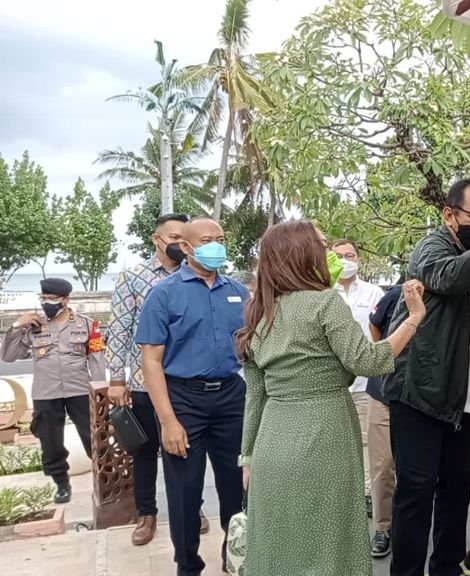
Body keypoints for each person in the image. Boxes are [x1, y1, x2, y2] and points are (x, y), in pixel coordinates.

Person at [236, 220, 426, 576]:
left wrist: (247, 457)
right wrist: (413, 318)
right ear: (303, 253)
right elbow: (368, 361)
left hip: (272, 443)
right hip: (325, 434)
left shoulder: (260, 311)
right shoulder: (325, 303)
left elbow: (255, 397)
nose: (327, 254)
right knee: (330, 537)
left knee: (280, 541)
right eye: (320, 245)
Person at [383, 178, 470, 576]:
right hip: (420, 394)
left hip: (462, 397)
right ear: (449, 215)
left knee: (457, 490)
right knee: (416, 493)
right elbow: (451, 278)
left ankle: (447, 567)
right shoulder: (433, 250)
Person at [136, 217, 249, 576]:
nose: (216, 246)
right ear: (185, 247)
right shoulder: (164, 294)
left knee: (237, 488)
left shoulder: (239, 291)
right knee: (185, 491)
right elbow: (151, 361)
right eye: (206, 240)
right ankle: (188, 564)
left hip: (232, 396)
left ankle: (235, 560)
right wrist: (168, 421)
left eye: (220, 238)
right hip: (184, 400)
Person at [106, 213, 211, 545]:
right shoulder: (133, 278)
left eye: (185, 239)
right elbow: (119, 329)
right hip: (141, 383)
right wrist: (117, 380)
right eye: (173, 238)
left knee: (185, 451)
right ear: (157, 239)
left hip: (183, 383)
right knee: (145, 451)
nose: (180, 245)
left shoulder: (195, 275)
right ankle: (147, 514)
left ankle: (192, 508)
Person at [2, 278, 105, 503]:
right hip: (46, 393)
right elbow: (8, 357)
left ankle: (105, 480)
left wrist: (100, 393)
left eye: (52, 299)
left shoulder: (87, 325)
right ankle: (61, 483)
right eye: (44, 299)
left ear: (66, 300)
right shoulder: (34, 326)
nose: (47, 303)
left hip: (79, 389)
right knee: (50, 442)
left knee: (94, 437)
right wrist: (17, 325)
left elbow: (97, 360)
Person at [331, 238, 385, 515]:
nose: (344, 260)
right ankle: (341, 493)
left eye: (349, 254)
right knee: (337, 441)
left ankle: (366, 492)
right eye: (338, 255)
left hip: (365, 381)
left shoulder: (374, 293)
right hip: (334, 384)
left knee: (366, 441)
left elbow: (380, 334)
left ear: (359, 258)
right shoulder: (325, 293)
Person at [365, 282, 403, 557]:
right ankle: (383, 527)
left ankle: (412, 527)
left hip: (422, 398)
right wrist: (383, 359)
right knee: (382, 466)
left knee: (416, 469)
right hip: (384, 395)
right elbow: (374, 325)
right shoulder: (397, 294)